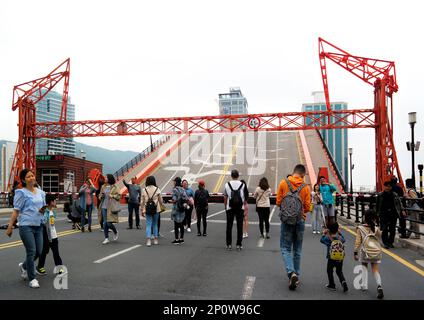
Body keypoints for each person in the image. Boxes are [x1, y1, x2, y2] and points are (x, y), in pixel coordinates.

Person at [5, 169, 46, 289]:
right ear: (23, 180)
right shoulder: (21, 193)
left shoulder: (40, 192)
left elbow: (43, 207)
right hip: (26, 225)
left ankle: (24, 266)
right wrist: (10, 226)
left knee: (39, 251)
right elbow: (16, 210)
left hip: (39, 225)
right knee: (31, 251)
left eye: (32, 175)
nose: (31, 178)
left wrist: (44, 210)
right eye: (28, 177)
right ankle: (32, 278)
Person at [276, 164, 311, 291]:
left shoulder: (283, 183)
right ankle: (296, 275)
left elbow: (278, 202)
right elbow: (307, 207)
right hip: (300, 221)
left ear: (293, 172)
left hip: (286, 221)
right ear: (303, 175)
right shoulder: (305, 187)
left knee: (285, 248)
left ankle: (291, 273)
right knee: (297, 250)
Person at [354, 210, 384, 299]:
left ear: (365, 218)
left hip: (365, 251)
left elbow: (358, 242)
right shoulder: (376, 228)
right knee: (375, 270)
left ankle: (364, 285)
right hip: (375, 251)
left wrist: (355, 252)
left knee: (364, 266)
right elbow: (379, 238)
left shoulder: (360, 228)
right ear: (374, 219)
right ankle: (379, 285)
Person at [36, 194, 65, 276]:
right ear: (51, 202)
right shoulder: (45, 212)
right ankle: (40, 267)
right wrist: (44, 212)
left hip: (54, 235)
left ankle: (59, 268)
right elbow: (43, 221)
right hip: (46, 236)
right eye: (55, 201)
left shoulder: (52, 211)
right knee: (44, 251)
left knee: (56, 253)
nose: (56, 202)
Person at [320, 222, 348, 292]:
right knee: (339, 271)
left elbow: (321, 240)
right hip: (340, 258)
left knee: (329, 271)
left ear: (329, 230)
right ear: (337, 229)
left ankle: (332, 285)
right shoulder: (340, 238)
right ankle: (343, 281)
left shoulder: (327, 238)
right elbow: (344, 240)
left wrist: (324, 233)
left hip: (331, 258)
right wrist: (340, 233)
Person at [223, 169, 247, 251]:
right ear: (238, 176)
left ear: (231, 176)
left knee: (229, 226)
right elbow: (245, 197)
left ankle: (229, 244)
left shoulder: (227, 184)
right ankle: (239, 244)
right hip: (240, 208)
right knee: (239, 226)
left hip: (230, 207)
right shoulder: (243, 185)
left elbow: (225, 197)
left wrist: (225, 206)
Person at [376, 181, 402, 249]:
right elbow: (377, 205)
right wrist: (377, 214)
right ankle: (385, 243)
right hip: (383, 213)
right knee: (384, 229)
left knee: (392, 229)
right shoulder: (380, 195)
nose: (388, 187)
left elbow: (399, 203)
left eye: (389, 186)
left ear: (391, 187)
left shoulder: (395, 195)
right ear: (384, 187)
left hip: (393, 213)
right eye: (386, 186)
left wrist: (402, 210)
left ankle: (391, 242)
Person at [140, 176, 164, 246]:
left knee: (148, 225)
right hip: (156, 209)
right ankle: (156, 240)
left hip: (147, 209)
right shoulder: (157, 189)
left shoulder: (144, 190)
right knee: (155, 224)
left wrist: (142, 210)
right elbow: (161, 201)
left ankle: (148, 240)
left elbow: (141, 202)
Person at [98, 174, 121, 244]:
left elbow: (118, 196)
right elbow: (99, 196)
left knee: (109, 223)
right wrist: (101, 196)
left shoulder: (115, 186)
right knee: (105, 223)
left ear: (109, 178)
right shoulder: (103, 186)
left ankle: (115, 231)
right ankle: (106, 238)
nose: (105, 178)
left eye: (106, 177)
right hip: (103, 206)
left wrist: (112, 196)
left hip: (111, 207)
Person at [170, 177, 188, 245]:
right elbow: (186, 198)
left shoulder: (175, 190)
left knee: (176, 225)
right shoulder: (183, 189)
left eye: (174, 181)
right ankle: (182, 239)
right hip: (182, 208)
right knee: (181, 225)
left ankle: (177, 239)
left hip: (176, 209)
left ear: (176, 182)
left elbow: (174, 199)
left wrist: (172, 201)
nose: (173, 182)